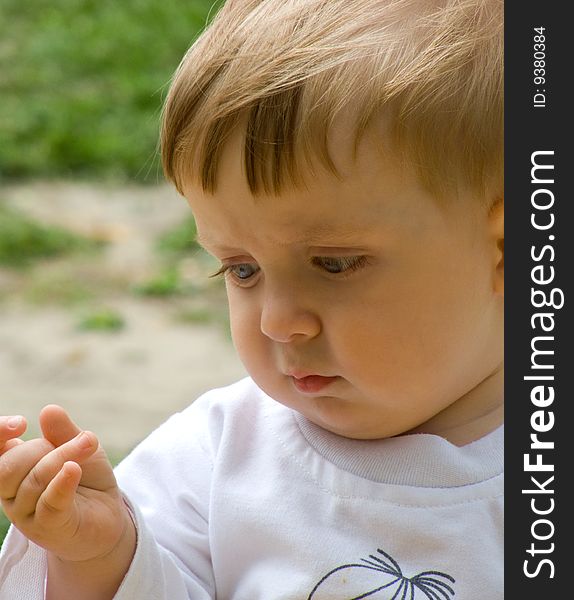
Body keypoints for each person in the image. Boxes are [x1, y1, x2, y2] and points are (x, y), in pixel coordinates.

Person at [0, 0, 504, 597]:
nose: (277, 321)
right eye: (240, 270)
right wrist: (100, 557)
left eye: (334, 263)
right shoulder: (213, 459)